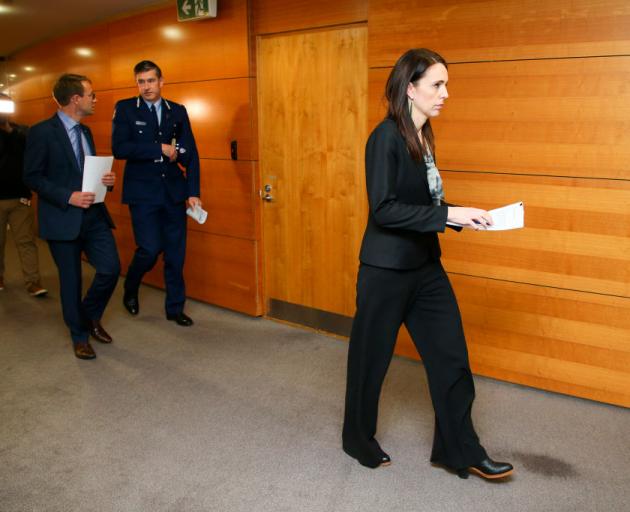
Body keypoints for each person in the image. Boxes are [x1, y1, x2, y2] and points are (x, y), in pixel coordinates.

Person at [342, 49, 514, 480]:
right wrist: (447, 216)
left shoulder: (425, 137)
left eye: (445, 84)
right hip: (385, 270)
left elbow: (425, 204)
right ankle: (357, 438)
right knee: (371, 361)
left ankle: (460, 450)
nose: (445, 94)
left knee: (451, 358)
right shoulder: (384, 138)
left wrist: (464, 213)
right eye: (437, 85)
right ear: (410, 88)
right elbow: (384, 209)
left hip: (425, 267)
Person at [24, 74, 120, 360]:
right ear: (75, 99)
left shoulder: (85, 131)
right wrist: (68, 196)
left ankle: (88, 316)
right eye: (91, 94)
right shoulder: (41, 132)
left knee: (110, 269)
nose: (95, 99)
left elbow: (86, 172)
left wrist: (107, 180)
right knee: (71, 281)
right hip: (62, 218)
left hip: (93, 217)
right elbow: (31, 177)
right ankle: (79, 336)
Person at [112, 60, 201, 326]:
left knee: (175, 254)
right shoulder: (126, 108)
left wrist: (193, 191)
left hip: (173, 192)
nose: (146, 86)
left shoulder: (177, 110)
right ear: (136, 83)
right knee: (149, 249)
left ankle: (175, 308)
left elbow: (191, 153)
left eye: (151, 80)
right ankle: (131, 286)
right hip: (143, 193)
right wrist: (158, 149)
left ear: (161, 81)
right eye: (141, 81)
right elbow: (120, 148)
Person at [0, 93, 47, 296]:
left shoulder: (22, 132)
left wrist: (11, 130)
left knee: (26, 241)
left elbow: (33, 157)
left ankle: (32, 281)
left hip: (20, 196)